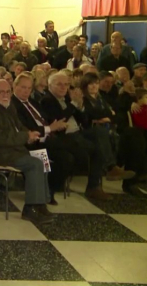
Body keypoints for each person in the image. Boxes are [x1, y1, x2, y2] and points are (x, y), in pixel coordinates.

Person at [41, 72, 133, 200]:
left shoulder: (68, 99)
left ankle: (110, 169)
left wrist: (81, 107)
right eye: (60, 84)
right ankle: (96, 185)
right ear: (50, 85)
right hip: (62, 135)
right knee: (96, 149)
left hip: (78, 131)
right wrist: (73, 104)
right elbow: (59, 119)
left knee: (100, 132)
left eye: (66, 84)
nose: (64, 87)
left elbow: (84, 121)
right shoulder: (47, 100)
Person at [0, 79, 54, 224]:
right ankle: (30, 208)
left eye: (8, 91)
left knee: (42, 157)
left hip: (11, 149)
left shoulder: (7, 106)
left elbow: (19, 126)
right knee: (34, 164)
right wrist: (25, 137)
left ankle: (41, 203)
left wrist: (29, 135)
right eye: (0, 92)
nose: (5, 95)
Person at [11, 73, 74, 205]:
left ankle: (49, 190)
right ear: (14, 86)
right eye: (23, 87)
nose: (26, 91)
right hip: (30, 143)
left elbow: (44, 119)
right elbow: (26, 128)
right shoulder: (13, 105)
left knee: (69, 156)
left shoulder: (33, 102)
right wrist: (50, 129)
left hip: (47, 138)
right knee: (52, 158)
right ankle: (44, 194)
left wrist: (53, 127)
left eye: (29, 88)